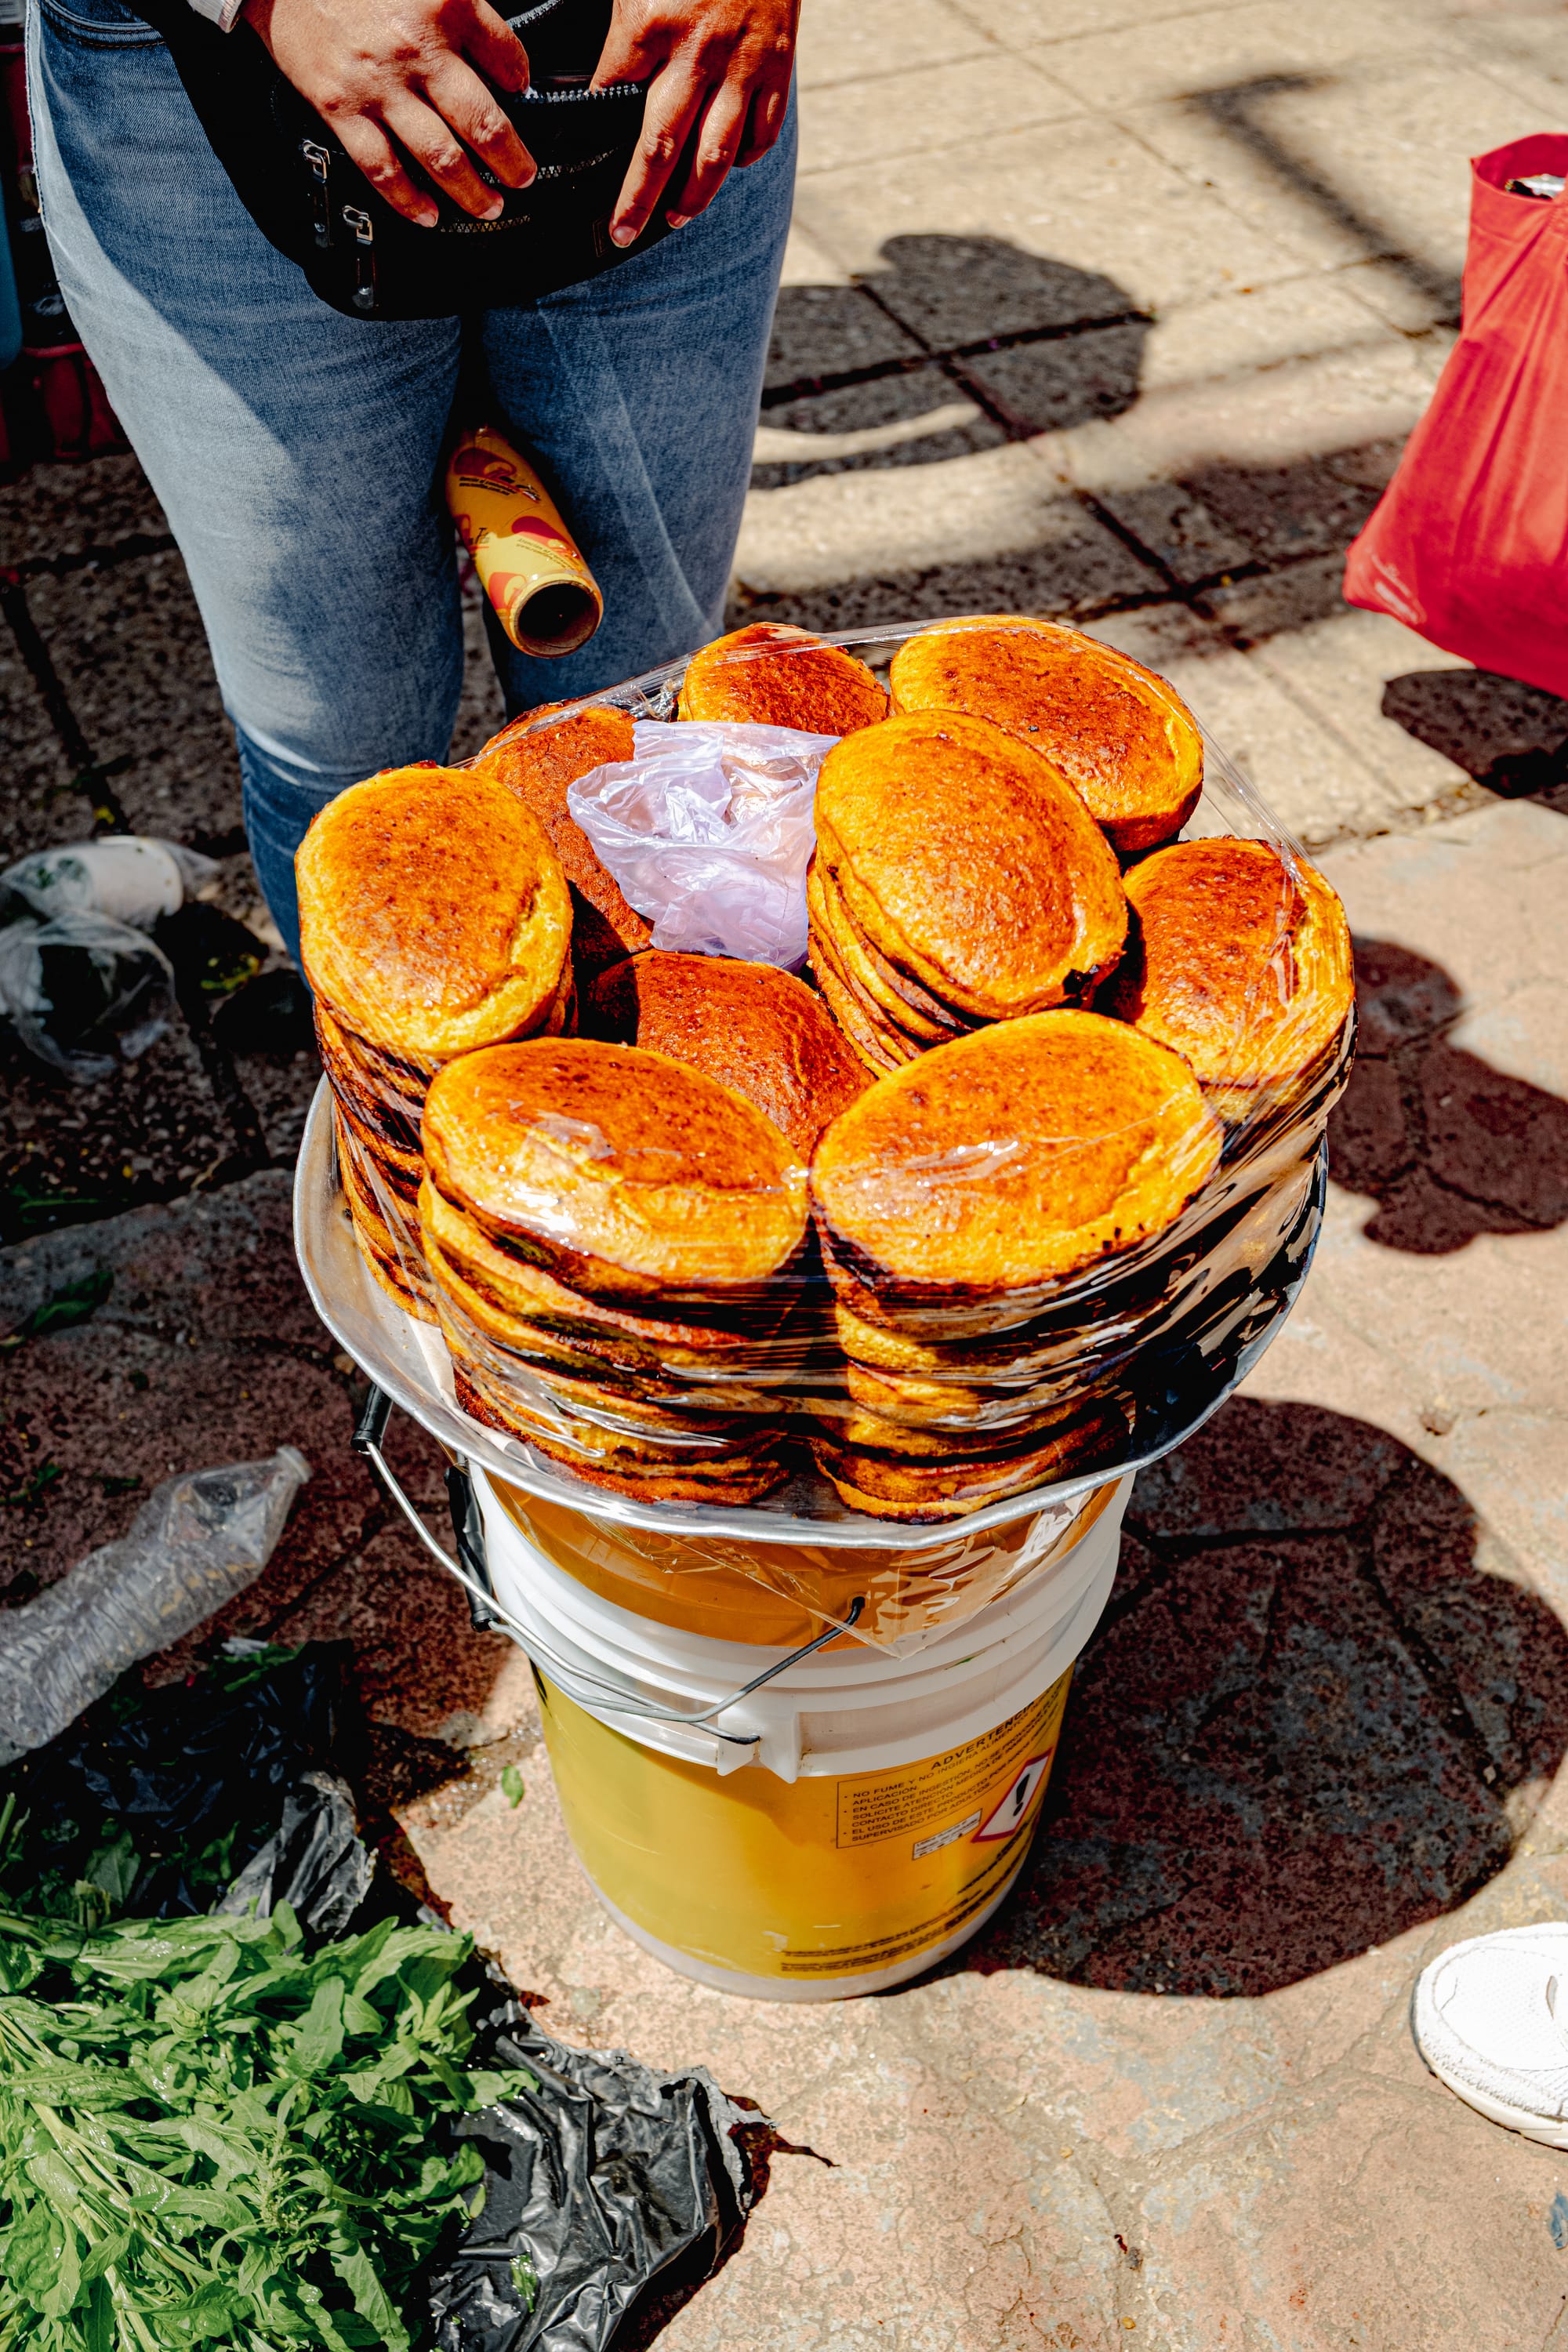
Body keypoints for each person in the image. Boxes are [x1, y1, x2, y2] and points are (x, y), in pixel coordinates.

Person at [27, 0, 800, 957]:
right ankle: (394, 1091)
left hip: (656, 58)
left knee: (645, 722)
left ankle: (643, 1069)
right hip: (208, 88)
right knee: (349, 777)